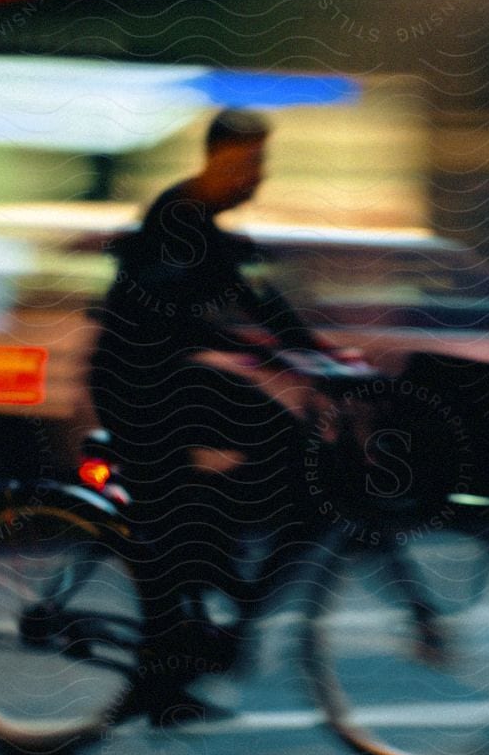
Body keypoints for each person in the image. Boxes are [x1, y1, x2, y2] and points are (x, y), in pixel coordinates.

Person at [87, 108, 336, 722]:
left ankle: (220, 572)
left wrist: (323, 355)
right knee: (164, 514)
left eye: (262, 161)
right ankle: (161, 675)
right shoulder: (179, 216)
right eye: (251, 161)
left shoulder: (214, 226)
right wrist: (262, 347)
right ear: (219, 158)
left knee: (299, 451)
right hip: (137, 382)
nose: (260, 174)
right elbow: (175, 310)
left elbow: (256, 297)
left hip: (176, 376)